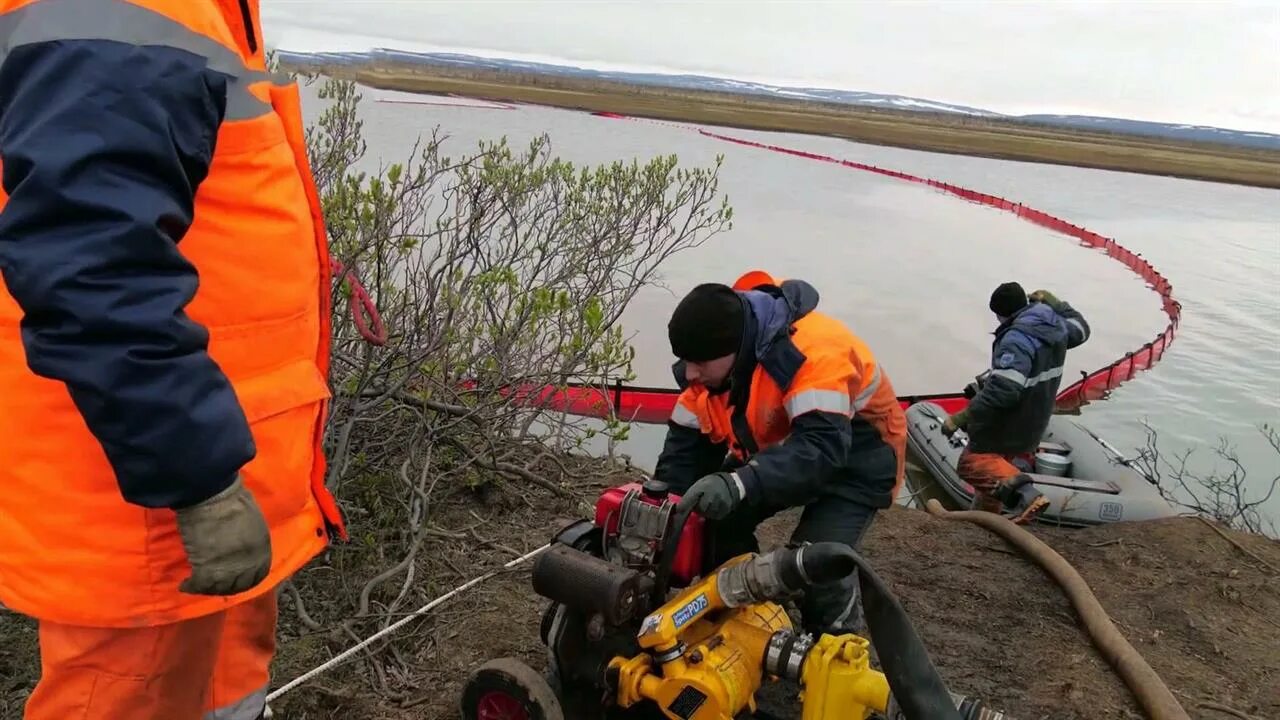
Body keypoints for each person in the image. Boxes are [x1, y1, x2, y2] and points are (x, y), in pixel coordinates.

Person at [0, 1, 347, 718]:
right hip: (150, 510)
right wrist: (198, 482)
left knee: (223, 692)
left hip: (198, 477)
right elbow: (92, 266)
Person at [653, 270, 907, 637]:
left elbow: (821, 449)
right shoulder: (709, 372)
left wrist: (739, 482)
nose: (689, 373)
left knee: (815, 561)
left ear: (734, 349)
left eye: (700, 362)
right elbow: (683, 459)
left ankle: (836, 642)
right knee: (715, 524)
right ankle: (751, 615)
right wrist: (665, 511)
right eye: (686, 360)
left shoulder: (815, 354)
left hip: (858, 459)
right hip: (786, 449)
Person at [943, 282, 1091, 523]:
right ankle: (986, 524)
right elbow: (1082, 330)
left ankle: (1027, 494)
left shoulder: (1016, 338)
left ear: (1001, 314)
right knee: (992, 483)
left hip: (1010, 422)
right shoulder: (1054, 325)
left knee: (971, 464)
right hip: (1035, 419)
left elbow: (1004, 391)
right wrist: (1057, 303)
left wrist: (961, 417)